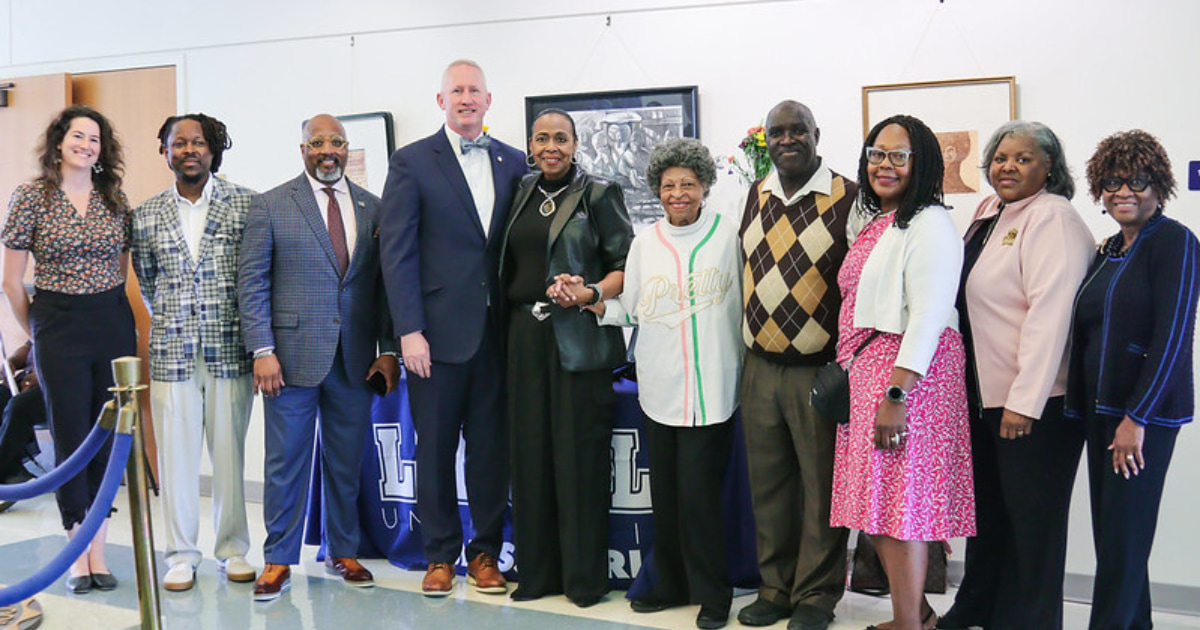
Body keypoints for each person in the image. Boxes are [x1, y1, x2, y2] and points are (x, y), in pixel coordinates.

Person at [238, 113, 400, 602]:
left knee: (346, 462)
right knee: (285, 463)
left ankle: (342, 550)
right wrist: (262, 349)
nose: (328, 150)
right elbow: (253, 282)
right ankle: (278, 559)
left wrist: (388, 350)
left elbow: (385, 287)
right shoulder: (271, 205)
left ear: (348, 148)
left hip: (354, 361)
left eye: (337, 142)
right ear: (302, 148)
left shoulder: (374, 208)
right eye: (318, 142)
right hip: (287, 361)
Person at [939, 122, 1094, 630]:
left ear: (1049, 167)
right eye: (1001, 157)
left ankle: (1029, 620)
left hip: (1035, 406)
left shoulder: (1053, 218)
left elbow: (1051, 316)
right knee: (988, 519)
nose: (1008, 166)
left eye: (1024, 158)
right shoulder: (990, 212)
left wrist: (1024, 403)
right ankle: (980, 606)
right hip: (984, 397)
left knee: (1033, 528)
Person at [379, 59, 526, 597]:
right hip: (434, 339)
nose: (466, 98)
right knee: (436, 451)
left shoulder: (515, 162)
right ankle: (439, 555)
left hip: (498, 336)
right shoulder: (412, 162)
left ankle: (485, 553)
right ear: (441, 101)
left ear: (490, 100)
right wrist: (408, 331)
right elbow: (397, 254)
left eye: (475, 90)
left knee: (490, 452)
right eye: (456, 90)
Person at [587, 138, 741, 629]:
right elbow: (630, 308)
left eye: (688, 184)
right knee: (667, 499)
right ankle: (670, 583)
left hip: (713, 391)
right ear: (658, 189)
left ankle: (713, 594)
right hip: (660, 387)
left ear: (704, 187)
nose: (678, 193)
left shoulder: (727, 235)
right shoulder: (644, 242)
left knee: (700, 499)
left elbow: (744, 308)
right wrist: (592, 303)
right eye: (670, 185)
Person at [830, 114, 974, 630]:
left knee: (900, 512)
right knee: (883, 511)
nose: (883, 165)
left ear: (923, 163)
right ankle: (913, 617)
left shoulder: (930, 221)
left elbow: (931, 314)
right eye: (876, 153)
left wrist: (896, 392)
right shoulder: (883, 219)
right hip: (873, 375)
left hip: (907, 380)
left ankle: (909, 624)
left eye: (898, 155)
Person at [497, 108, 632, 607]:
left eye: (561, 138)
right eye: (541, 138)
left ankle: (582, 581)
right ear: (530, 145)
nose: (550, 146)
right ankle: (538, 574)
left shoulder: (599, 193)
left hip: (577, 339)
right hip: (522, 338)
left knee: (578, 461)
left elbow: (625, 265)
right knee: (529, 459)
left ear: (576, 144)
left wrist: (590, 289)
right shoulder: (519, 192)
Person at [1, 105, 137, 594]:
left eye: (95, 139)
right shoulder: (31, 197)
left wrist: (104, 306)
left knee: (109, 434)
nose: (87, 145)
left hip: (111, 321)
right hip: (57, 323)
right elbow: (12, 281)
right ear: (59, 142)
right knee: (71, 434)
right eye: (78, 136)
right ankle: (76, 553)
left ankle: (99, 551)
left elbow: (122, 270)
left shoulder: (114, 198)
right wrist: (37, 332)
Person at [1066, 129, 1197, 630]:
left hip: (1143, 419)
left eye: (1137, 181)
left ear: (1159, 186)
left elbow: (1173, 338)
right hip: (1102, 413)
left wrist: (1135, 418)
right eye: (1113, 182)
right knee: (1119, 539)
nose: (1124, 191)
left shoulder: (1176, 242)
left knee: (1122, 542)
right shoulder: (1109, 250)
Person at [736, 100, 856, 630]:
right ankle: (775, 587)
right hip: (760, 367)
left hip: (817, 368)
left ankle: (816, 596)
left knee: (821, 487)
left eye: (797, 131)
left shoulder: (849, 197)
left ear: (816, 134)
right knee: (769, 488)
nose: (788, 139)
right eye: (777, 132)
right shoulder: (756, 192)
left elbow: (859, 285)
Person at [131, 113, 258, 592]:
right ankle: (181, 554)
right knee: (177, 459)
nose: (189, 149)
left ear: (213, 149)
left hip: (230, 349)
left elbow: (255, 278)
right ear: (164, 151)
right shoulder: (144, 214)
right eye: (178, 142)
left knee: (229, 457)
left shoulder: (245, 204)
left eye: (198, 142)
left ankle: (233, 550)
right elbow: (148, 282)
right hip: (172, 353)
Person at [0, 340, 45, 514]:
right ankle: (13, 471)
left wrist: (43, 375)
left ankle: (4, 470)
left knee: (19, 406)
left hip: (59, 385)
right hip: (27, 380)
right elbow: (27, 347)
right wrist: (10, 362)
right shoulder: (43, 316)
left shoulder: (79, 320)